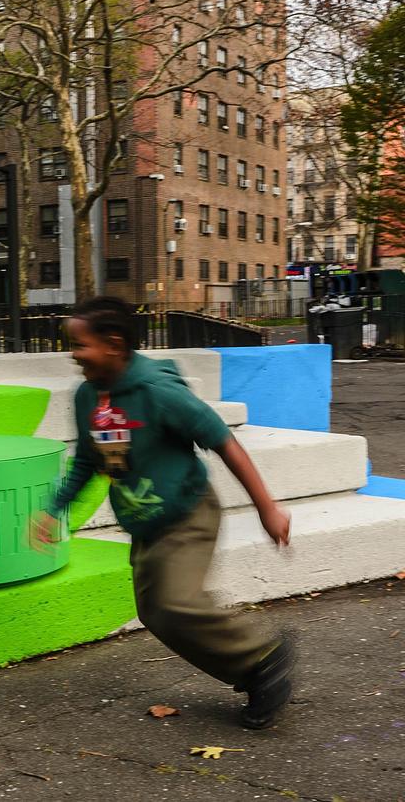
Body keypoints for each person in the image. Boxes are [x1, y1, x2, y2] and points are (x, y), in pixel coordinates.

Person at [31, 296, 294, 729]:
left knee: (175, 602)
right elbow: (87, 462)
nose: (73, 354)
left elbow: (222, 441)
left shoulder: (157, 391)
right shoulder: (87, 398)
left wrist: (267, 507)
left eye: (80, 344)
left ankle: (263, 657)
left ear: (114, 344)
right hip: (145, 526)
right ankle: (255, 672)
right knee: (155, 614)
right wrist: (53, 510)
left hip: (188, 515)